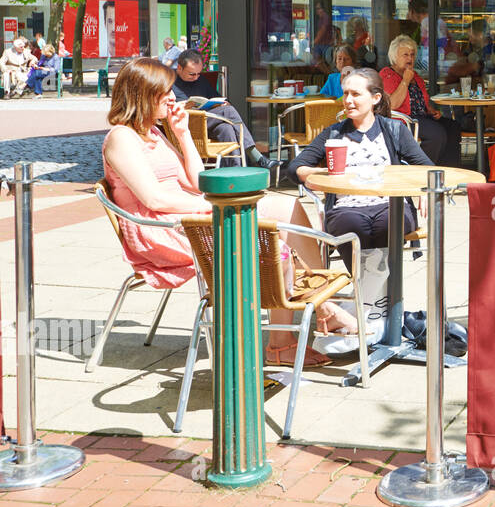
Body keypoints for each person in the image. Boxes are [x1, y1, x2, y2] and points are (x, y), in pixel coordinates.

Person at [102, 58, 353, 367]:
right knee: (271, 239)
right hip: (163, 230)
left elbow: (197, 182)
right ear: (141, 94)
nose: (172, 97)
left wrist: (181, 134)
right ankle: (291, 335)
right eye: (164, 92)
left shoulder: (153, 132)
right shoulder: (121, 137)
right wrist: (211, 206)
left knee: (287, 206)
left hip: (189, 215)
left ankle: (322, 308)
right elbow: (154, 199)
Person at [289, 68, 433, 269]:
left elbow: (427, 167)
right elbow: (295, 168)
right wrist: (326, 174)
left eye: (355, 94)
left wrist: (424, 190)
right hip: (346, 206)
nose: (347, 100)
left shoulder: (394, 130)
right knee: (352, 227)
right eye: (346, 93)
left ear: (375, 98)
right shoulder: (334, 133)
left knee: (388, 224)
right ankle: (375, 291)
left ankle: (372, 290)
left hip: (390, 204)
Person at [169, 49, 274, 169]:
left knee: (226, 129)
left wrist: (222, 103)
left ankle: (233, 173)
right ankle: (256, 156)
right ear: (179, 68)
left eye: (199, 73)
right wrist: (181, 105)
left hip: (206, 122)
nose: (196, 77)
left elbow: (217, 98)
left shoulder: (201, 80)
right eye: (192, 74)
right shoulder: (169, 81)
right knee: (228, 112)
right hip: (186, 124)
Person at [380, 35, 462, 166]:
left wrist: (431, 111)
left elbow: (422, 101)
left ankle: (448, 168)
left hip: (421, 117)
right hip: (403, 120)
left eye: (412, 55)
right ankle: (423, 170)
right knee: (436, 134)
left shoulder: (416, 76)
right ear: (394, 57)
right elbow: (392, 105)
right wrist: (405, 81)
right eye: (405, 55)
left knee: (452, 127)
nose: (410, 59)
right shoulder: (387, 74)